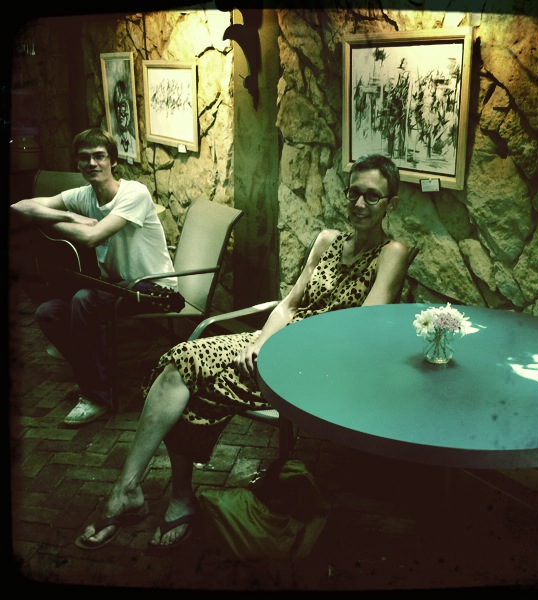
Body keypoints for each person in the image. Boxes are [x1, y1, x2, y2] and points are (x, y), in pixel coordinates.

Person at [74, 153, 410, 551]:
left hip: (322, 364)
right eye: (354, 192)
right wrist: (259, 342)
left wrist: (286, 349)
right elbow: (288, 305)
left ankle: (167, 497)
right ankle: (128, 488)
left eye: (372, 196)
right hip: (280, 343)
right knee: (179, 362)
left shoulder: (392, 252)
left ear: (391, 203)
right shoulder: (327, 241)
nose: (359, 203)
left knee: (188, 387)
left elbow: (361, 327)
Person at [10, 128, 177, 426]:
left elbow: (92, 236)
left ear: (113, 160)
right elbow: (19, 206)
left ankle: (96, 396)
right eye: (84, 157)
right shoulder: (83, 195)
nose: (92, 163)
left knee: (84, 300)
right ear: (77, 163)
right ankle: (96, 376)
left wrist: (49, 222)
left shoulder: (134, 193)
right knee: (48, 312)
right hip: (115, 287)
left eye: (99, 156)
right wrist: (69, 216)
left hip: (151, 287)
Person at [113, 80, 136, 158]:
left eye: (122, 105)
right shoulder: (114, 141)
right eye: (117, 106)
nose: (119, 111)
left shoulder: (134, 143)